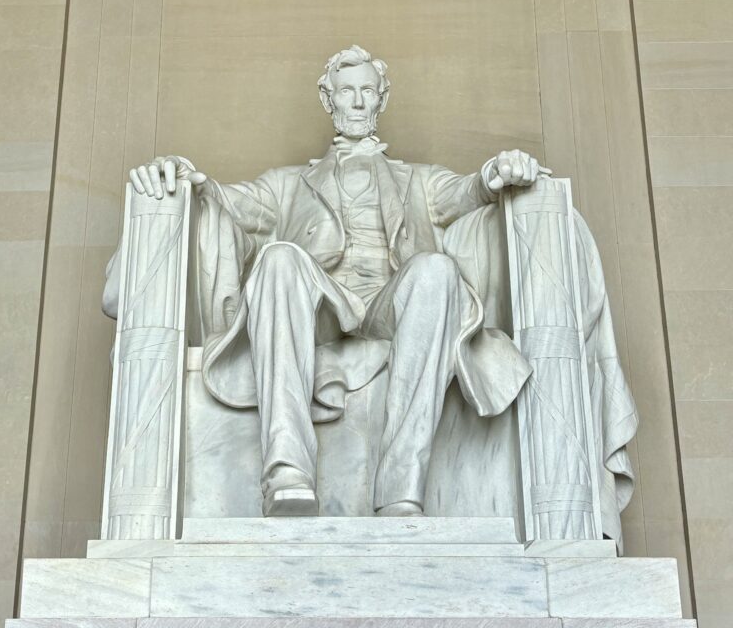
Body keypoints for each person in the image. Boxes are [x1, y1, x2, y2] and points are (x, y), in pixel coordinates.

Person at [124, 45, 545, 517]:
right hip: (321, 304)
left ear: (382, 99)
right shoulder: (288, 184)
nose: (359, 102)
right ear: (329, 100)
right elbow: (227, 201)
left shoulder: (419, 180)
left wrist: (498, 171)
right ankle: (287, 473)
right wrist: (184, 177)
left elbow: (468, 190)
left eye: (368, 91)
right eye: (348, 92)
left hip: (391, 304)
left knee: (437, 269)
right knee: (279, 258)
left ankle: (401, 489)